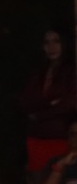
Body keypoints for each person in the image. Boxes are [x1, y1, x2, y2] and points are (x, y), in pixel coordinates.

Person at [20, 29, 77, 174]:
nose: (51, 47)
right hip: (36, 138)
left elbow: (69, 103)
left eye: (56, 41)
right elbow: (25, 102)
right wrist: (50, 103)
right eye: (47, 42)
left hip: (60, 137)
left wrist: (40, 114)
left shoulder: (71, 71)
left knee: (59, 182)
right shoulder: (38, 71)